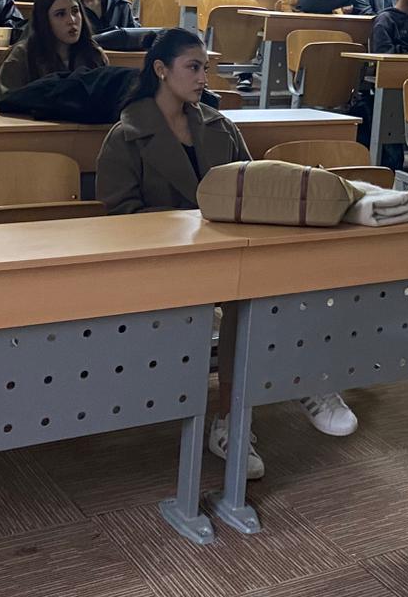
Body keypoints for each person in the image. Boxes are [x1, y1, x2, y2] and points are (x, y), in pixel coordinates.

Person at [95, 29, 358, 470]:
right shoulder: (126, 136)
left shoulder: (219, 126)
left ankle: (286, 389)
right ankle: (244, 414)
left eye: (206, 67)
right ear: (161, 70)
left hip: (228, 252)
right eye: (193, 67)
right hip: (165, 259)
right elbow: (121, 220)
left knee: (285, 279)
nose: (204, 77)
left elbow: (253, 188)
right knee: (248, 294)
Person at [0, 0, 109, 96]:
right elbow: (9, 100)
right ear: (44, 20)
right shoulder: (22, 56)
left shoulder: (93, 53)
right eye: (60, 14)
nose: (71, 20)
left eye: (75, 11)